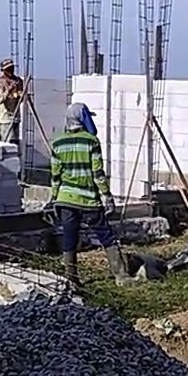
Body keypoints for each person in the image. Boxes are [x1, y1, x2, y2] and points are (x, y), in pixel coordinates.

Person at [49, 102, 136, 291]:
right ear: (83, 119)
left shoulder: (57, 142)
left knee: (69, 237)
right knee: (105, 235)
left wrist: (54, 198)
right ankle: (121, 276)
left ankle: (71, 279)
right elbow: (98, 173)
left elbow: (55, 175)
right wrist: (107, 196)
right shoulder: (91, 142)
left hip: (65, 199)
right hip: (88, 199)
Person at [0, 58, 24, 146]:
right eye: (8, 69)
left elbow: (21, 98)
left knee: (15, 142)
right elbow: (0, 100)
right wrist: (9, 90)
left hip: (16, 116)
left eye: (12, 68)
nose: (11, 71)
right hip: (5, 117)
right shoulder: (0, 82)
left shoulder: (18, 81)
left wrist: (21, 94)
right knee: (7, 143)